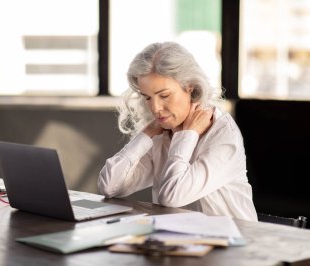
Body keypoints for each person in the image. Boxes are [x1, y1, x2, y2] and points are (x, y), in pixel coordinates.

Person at [98, 42, 257, 221]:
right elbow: (109, 186)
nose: (155, 108)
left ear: (189, 86)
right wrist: (146, 134)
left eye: (164, 95)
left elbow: (171, 196)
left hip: (231, 241)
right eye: (148, 97)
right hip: (177, 240)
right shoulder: (161, 131)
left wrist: (186, 136)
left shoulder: (223, 136)